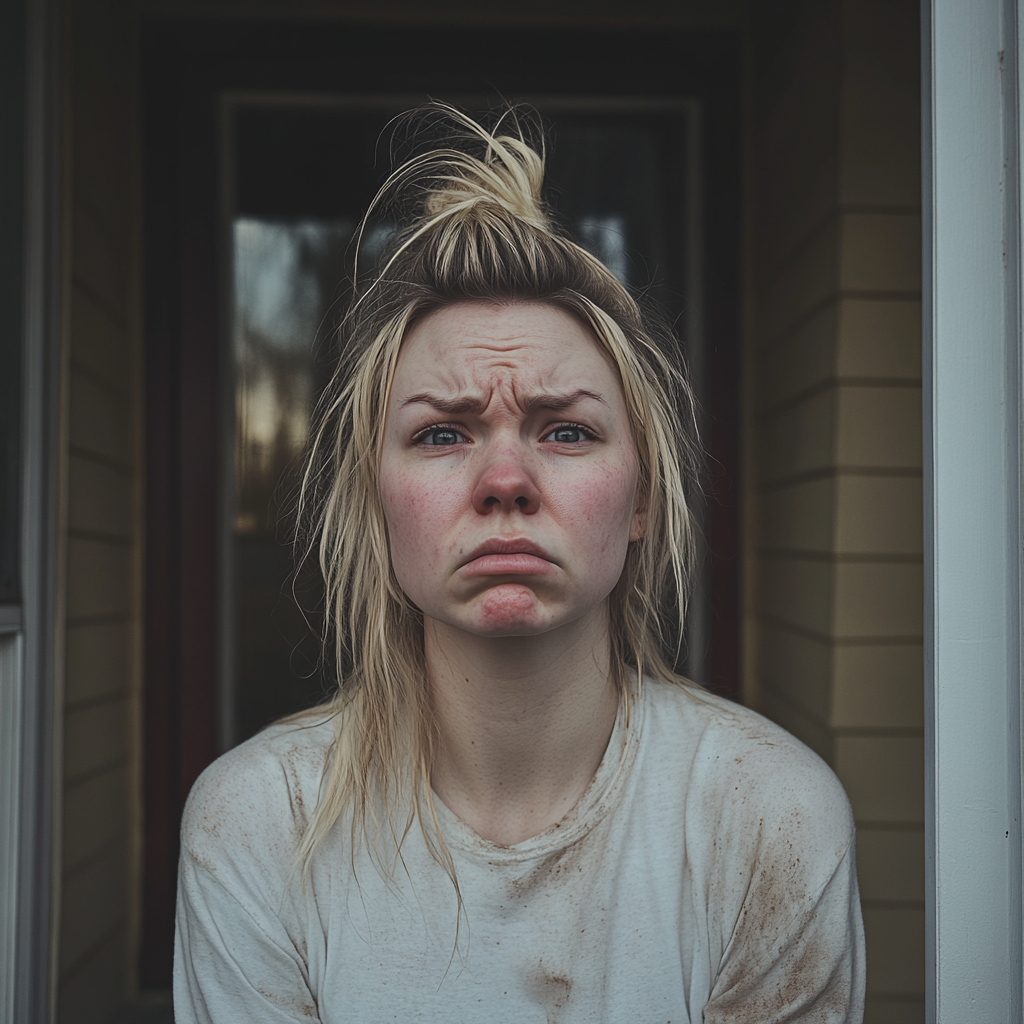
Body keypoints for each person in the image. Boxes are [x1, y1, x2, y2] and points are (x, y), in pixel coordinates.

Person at [174, 106, 865, 1023]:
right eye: (442, 432)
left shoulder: (767, 819)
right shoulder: (258, 825)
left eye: (567, 430)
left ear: (643, 501)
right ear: (375, 504)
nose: (505, 479)